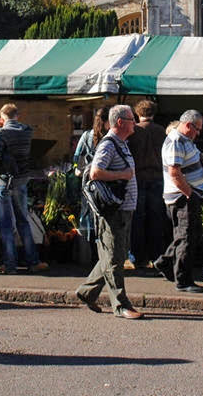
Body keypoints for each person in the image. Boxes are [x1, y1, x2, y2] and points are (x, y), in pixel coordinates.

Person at [75, 104, 143, 320]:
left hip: (123, 208)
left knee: (116, 254)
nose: (135, 123)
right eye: (132, 119)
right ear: (120, 122)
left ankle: (87, 291)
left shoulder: (121, 143)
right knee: (114, 257)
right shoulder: (109, 144)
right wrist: (123, 175)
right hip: (114, 209)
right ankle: (121, 305)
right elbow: (95, 172)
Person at [154, 109, 203, 293]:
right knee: (186, 237)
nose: (198, 133)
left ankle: (165, 262)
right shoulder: (175, 141)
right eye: (197, 129)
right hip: (182, 197)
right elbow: (174, 172)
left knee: (191, 234)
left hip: (188, 195)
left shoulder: (187, 140)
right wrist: (189, 193)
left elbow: (198, 155)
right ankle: (183, 281)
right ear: (188, 125)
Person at [0, 103, 48, 274]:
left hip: (3, 181)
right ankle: (32, 261)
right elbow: (23, 127)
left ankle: (10, 264)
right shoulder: (27, 132)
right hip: (21, 181)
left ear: (1, 116)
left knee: (6, 224)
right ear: (17, 115)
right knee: (24, 221)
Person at [125, 99, 170, 271]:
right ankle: (157, 256)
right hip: (158, 177)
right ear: (154, 113)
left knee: (137, 219)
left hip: (137, 178)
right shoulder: (161, 131)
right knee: (156, 218)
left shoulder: (133, 131)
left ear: (137, 113)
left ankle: (138, 257)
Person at [73, 107, 110, 241]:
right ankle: (101, 242)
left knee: (87, 209)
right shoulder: (110, 137)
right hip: (106, 179)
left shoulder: (86, 135)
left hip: (88, 179)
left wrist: (78, 168)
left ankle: (86, 243)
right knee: (103, 211)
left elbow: (76, 157)